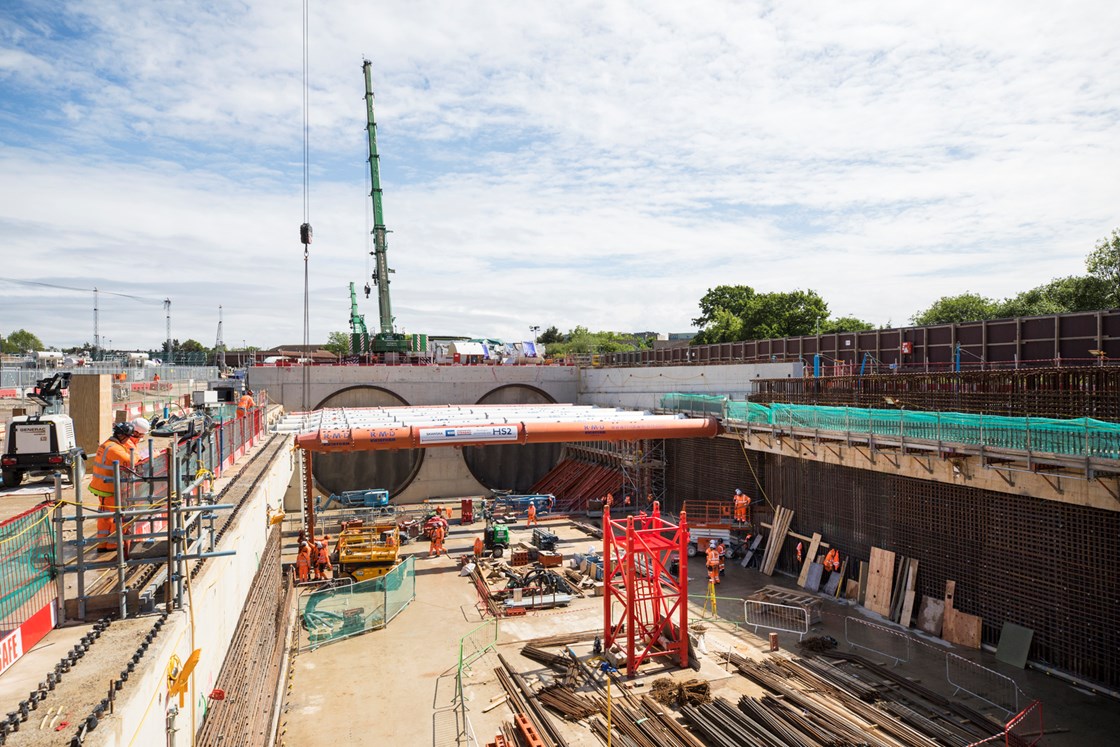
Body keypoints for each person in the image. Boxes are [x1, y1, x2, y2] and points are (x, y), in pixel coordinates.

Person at [89, 422, 137, 550]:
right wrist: (138, 453)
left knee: (105, 517)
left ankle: (103, 543)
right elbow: (130, 461)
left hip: (103, 487)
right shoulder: (114, 448)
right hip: (110, 488)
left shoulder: (107, 444)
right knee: (119, 516)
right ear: (123, 436)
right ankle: (113, 544)